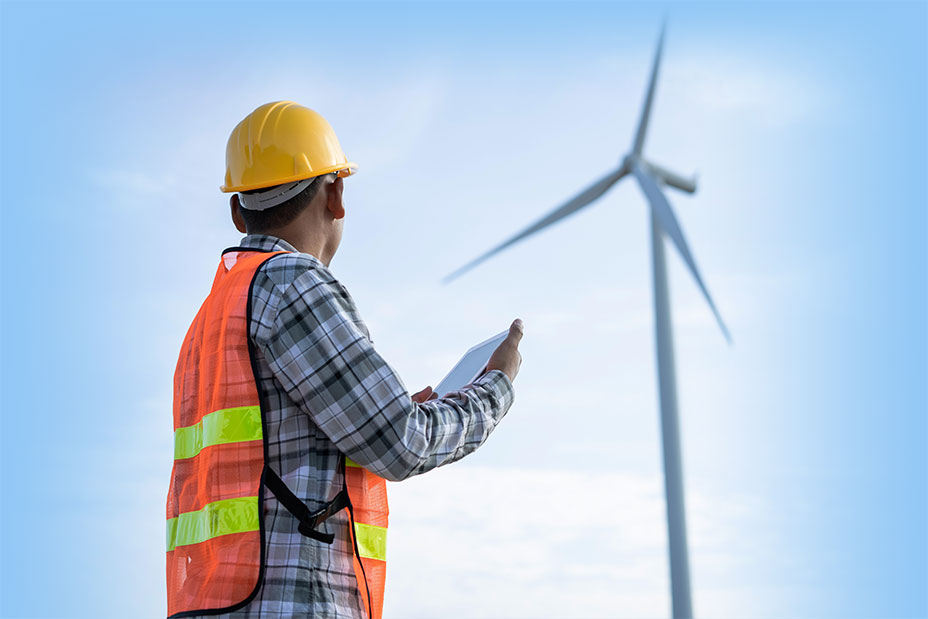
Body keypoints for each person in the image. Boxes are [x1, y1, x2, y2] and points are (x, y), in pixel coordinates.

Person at [165, 101, 523, 619]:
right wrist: (496, 386)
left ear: (238, 211)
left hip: (219, 602)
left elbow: (267, 452)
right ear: (336, 193)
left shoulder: (214, 314)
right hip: (287, 604)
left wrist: (383, 412)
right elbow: (404, 443)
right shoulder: (291, 284)